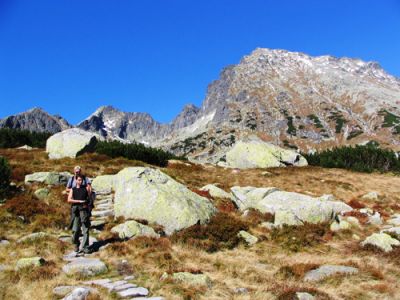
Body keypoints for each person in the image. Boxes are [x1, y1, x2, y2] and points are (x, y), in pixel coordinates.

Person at [68, 174, 91, 254]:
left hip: (84, 211)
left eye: (81, 180)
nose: (80, 181)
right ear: (76, 180)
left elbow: (89, 199)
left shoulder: (86, 188)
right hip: (76, 211)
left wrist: (88, 206)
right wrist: (78, 201)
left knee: (86, 229)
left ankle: (85, 247)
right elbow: (69, 199)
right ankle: (76, 244)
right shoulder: (72, 189)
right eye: (78, 180)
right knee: (75, 230)